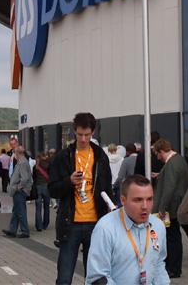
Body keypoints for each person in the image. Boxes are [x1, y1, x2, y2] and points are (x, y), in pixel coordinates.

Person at [48, 112, 111, 285]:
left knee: (96, 278)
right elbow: (52, 189)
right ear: (74, 132)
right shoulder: (63, 156)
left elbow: (107, 189)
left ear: (93, 133)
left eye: (87, 135)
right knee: (64, 277)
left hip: (96, 224)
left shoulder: (100, 157)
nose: (83, 139)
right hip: (71, 223)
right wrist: (68, 182)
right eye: (80, 135)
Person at [85, 174, 169, 285]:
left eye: (149, 199)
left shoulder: (158, 226)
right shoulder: (105, 228)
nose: (145, 206)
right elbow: (97, 277)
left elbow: (158, 263)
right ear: (123, 200)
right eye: (138, 200)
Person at [152, 138, 188, 279]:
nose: (157, 157)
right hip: (176, 204)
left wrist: (162, 207)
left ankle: (173, 268)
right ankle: (172, 266)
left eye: (157, 154)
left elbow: (169, 187)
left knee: (171, 237)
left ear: (162, 151)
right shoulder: (179, 160)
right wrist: (160, 175)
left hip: (171, 208)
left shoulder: (172, 164)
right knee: (173, 236)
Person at [3, 145, 33, 238]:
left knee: (20, 211)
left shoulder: (23, 163)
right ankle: (12, 230)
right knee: (16, 211)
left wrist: (19, 187)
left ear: (17, 153)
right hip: (18, 191)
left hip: (20, 191)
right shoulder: (22, 161)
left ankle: (25, 231)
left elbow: (25, 178)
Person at [34, 150, 52, 231]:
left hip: (38, 186)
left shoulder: (36, 166)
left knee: (38, 208)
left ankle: (39, 225)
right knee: (46, 206)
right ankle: (45, 224)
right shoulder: (48, 164)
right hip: (46, 186)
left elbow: (33, 177)